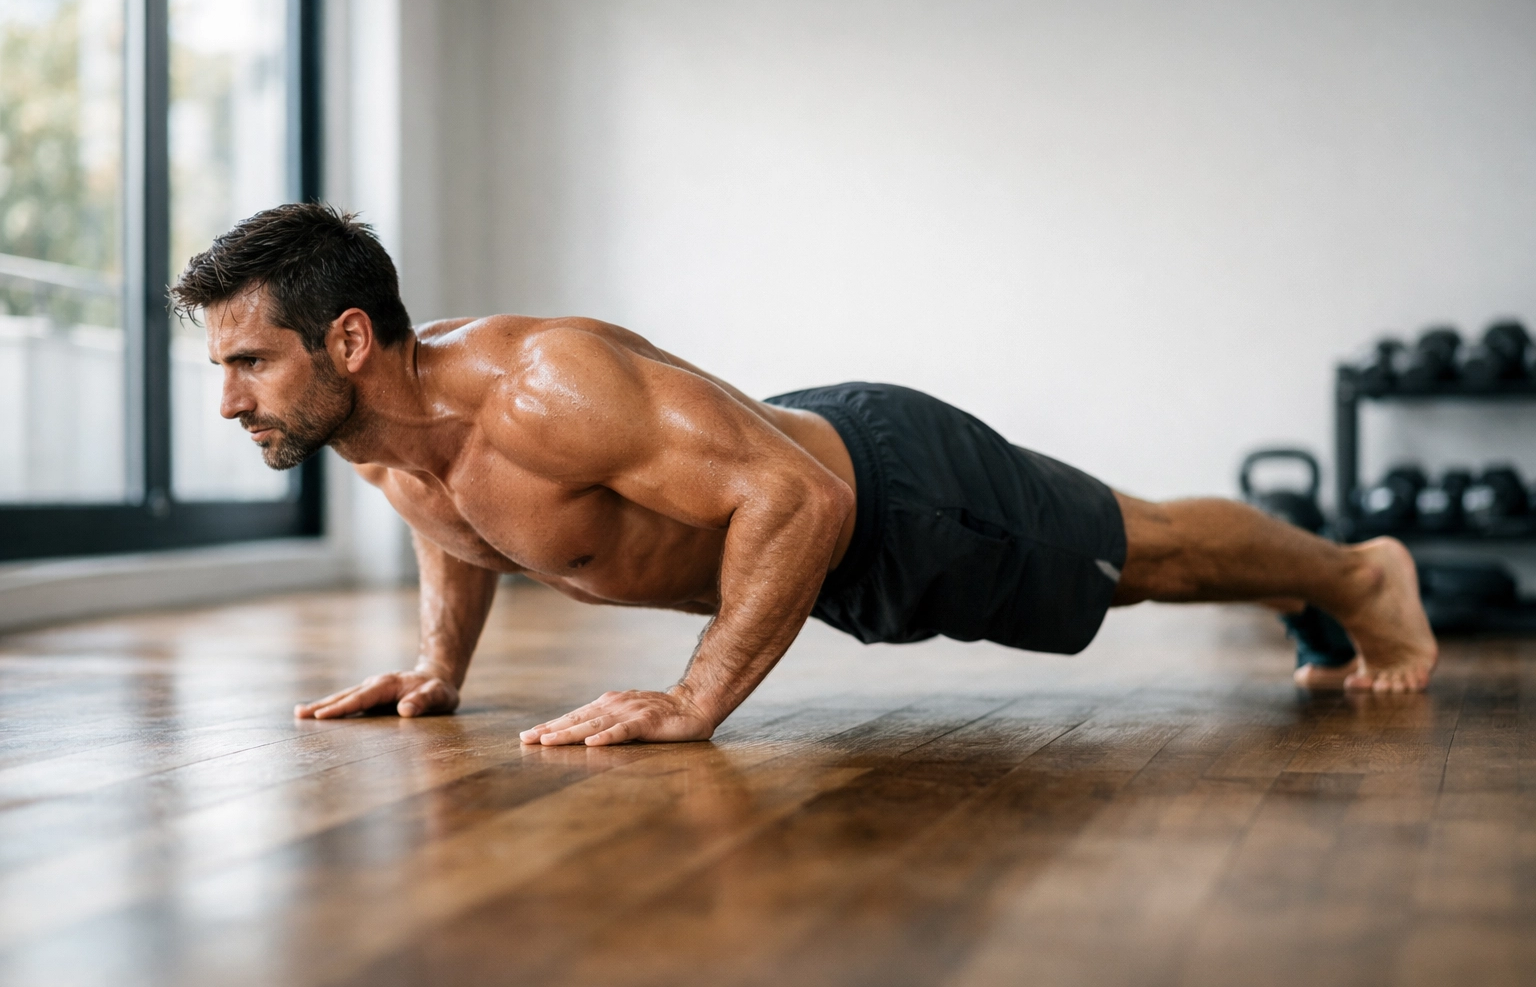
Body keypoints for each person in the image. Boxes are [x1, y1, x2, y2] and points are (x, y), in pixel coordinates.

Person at [169, 203, 1438, 747]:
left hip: (886, 495)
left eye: (249, 362)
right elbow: (454, 524)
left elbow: (799, 499)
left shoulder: (543, 385)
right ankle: (1317, 587)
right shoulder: (376, 432)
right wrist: (445, 670)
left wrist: (694, 701)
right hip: (804, 522)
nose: (229, 399)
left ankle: (1356, 571)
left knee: (1139, 555)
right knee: (1135, 556)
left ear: (346, 339)